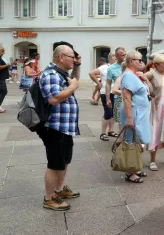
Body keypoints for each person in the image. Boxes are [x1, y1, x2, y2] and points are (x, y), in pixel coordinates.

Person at [38, 44, 82, 211]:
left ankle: (59, 189)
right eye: (72, 57)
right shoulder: (50, 74)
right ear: (61, 57)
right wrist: (72, 87)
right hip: (54, 127)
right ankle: (49, 198)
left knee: (64, 160)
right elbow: (54, 99)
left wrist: (77, 66)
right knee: (54, 163)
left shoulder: (61, 74)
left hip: (64, 127)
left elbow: (74, 80)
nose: (74, 59)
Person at [120, 51, 151, 183]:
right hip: (134, 114)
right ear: (132, 61)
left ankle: (135, 168)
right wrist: (129, 118)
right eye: (139, 60)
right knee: (131, 141)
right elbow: (126, 98)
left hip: (139, 113)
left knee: (137, 141)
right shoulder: (128, 76)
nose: (142, 62)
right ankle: (130, 172)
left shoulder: (134, 75)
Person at [89, 52, 118, 142]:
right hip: (105, 92)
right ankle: (103, 133)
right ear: (109, 58)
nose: (115, 58)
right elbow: (91, 73)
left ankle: (111, 131)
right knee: (108, 112)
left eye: (116, 56)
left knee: (113, 112)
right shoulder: (105, 67)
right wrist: (98, 83)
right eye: (113, 56)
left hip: (116, 93)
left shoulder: (119, 67)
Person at [0, 47, 11, 113]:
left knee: (2, 92)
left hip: (2, 78)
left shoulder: (1, 58)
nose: (3, 53)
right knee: (4, 91)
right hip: (0, 78)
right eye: (2, 51)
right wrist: (6, 65)